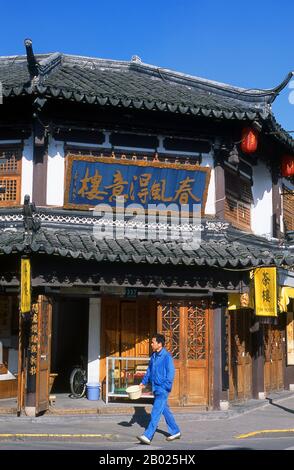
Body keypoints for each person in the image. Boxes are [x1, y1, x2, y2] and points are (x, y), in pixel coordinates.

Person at [137, 333, 181, 445]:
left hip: (162, 389)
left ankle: (148, 436)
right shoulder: (154, 356)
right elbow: (149, 371)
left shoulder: (166, 356)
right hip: (155, 387)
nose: (151, 344)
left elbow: (171, 373)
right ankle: (175, 431)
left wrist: (165, 386)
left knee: (155, 412)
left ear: (160, 344)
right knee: (165, 410)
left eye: (153, 342)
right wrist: (143, 383)